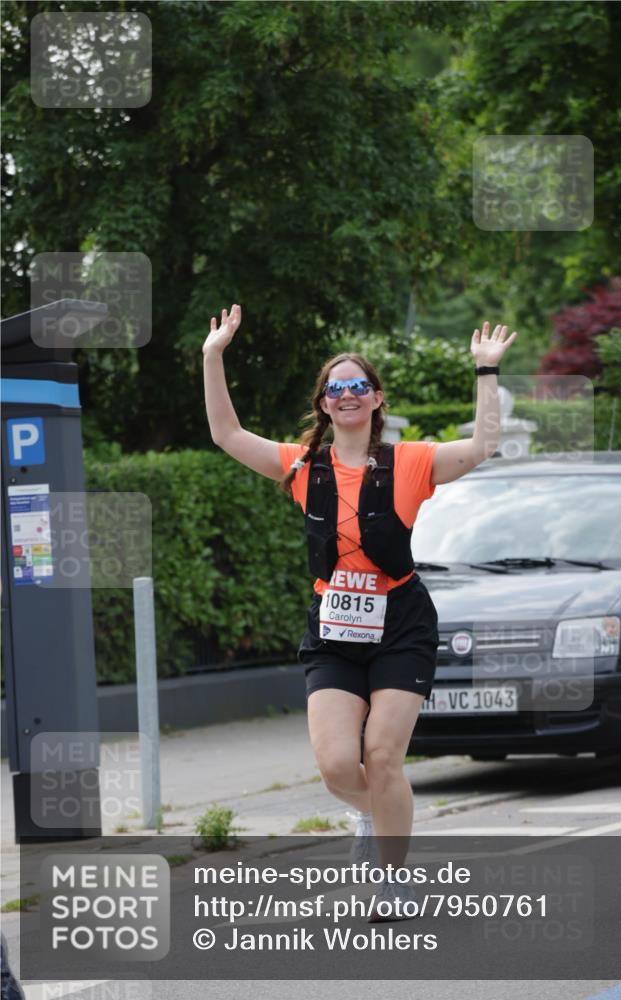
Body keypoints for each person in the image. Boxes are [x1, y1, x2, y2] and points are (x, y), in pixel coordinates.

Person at [202, 305, 517, 921]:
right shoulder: (301, 465)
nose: (346, 395)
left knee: (383, 755)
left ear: (376, 398)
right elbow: (226, 434)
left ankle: (393, 880)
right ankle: (374, 814)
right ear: (323, 404)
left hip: (400, 623)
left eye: (357, 386)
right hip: (334, 627)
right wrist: (214, 355)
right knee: (338, 765)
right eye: (335, 388)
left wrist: (486, 372)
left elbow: (483, 445)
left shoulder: (411, 462)